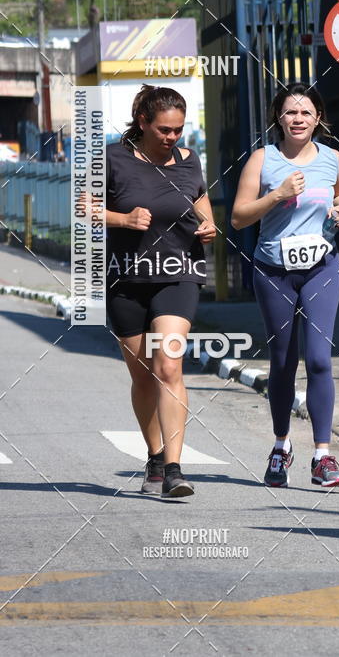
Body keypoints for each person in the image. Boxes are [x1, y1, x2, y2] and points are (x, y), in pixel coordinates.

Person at [232, 83, 339, 488]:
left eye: (305, 113)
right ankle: (281, 447)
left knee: (319, 358)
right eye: (290, 113)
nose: (298, 119)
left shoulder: (333, 158)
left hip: (322, 266)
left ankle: (323, 456)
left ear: (318, 117)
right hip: (273, 269)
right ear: (278, 119)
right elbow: (238, 218)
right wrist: (278, 195)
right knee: (283, 361)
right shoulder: (262, 160)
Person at [104, 84, 216, 498]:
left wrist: (208, 225)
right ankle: (153, 454)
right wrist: (122, 218)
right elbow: (84, 208)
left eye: (178, 130)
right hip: (127, 279)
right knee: (143, 376)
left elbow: (200, 198)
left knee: (168, 365)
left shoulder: (190, 160)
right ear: (144, 123)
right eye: (165, 130)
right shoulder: (114, 159)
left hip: (178, 273)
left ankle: (173, 468)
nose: (172, 138)